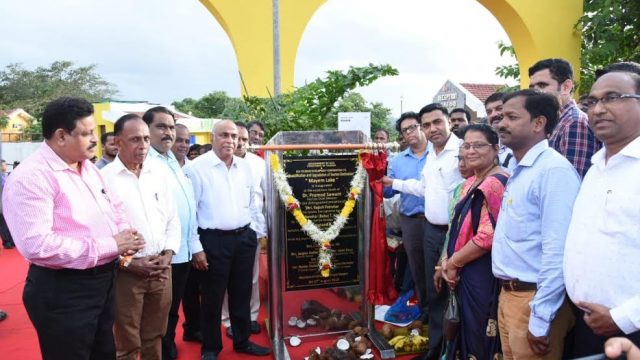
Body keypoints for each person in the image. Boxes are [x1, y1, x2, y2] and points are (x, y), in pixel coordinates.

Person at [2, 96, 145, 360]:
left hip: (103, 280)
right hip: (64, 291)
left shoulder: (89, 168)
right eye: (86, 133)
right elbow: (37, 245)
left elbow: (114, 208)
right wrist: (113, 244)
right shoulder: (31, 178)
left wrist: (127, 235)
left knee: (103, 352)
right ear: (60, 136)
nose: (96, 139)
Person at [492, 89, 579, 359]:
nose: (501, 122)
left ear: (538, 123)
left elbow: (558, 251)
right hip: (510, 296)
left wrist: (540, 318)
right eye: (501, 115)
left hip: (534, 301)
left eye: (511, 116)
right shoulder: (522, 168)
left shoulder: (553, 171)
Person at [563, 62, 640, 357]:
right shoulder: (596, 167)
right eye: (592, 101)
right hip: (587, 324)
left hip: (628, 332)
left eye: (613, 98)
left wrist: (623, 318)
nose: (597, 109)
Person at [383, 103, 464, 360]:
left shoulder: (463, 150)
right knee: (434, 289)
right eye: (427, 124)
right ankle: (436, 348)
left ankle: (455, 349)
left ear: (449, 122)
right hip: (431, 230)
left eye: (437, 122)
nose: (432, 129)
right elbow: (424, 189)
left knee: (456, 291)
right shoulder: (433, 155)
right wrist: (393, 182)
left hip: (456, 233)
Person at [184, 120, 270, 360]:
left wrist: (255, 233)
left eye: (234, 136)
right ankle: (211, 348)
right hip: (212, 241)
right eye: (224, 135)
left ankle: (243, 341)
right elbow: (190, 212)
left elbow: (252, 204)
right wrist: (196, 248)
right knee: (212, 298)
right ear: (212, 138)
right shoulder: (196, 168)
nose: (230, 140)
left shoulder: (247, 168)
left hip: (243, 239)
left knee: (241, 294)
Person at [101, 114, 180, 360]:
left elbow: (172, 218)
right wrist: (128, 263)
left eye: (146, 139)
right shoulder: (103, 179)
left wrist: (168, 253)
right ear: (117, 142)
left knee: (155, 335)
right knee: (127, 341)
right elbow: (100, 232)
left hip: (160, 269)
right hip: (126, 272)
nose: (143, 145)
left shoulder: (158, 173)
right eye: (135, 139)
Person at [438, 124, 509, 359]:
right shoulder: (470, 182)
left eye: (478, 145)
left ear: (496, 148)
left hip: (482, 270)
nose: (470, 151)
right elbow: (455, 228)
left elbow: (487, 237)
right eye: (466, 146)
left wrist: (454, 263)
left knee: (480, 330)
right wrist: (447, 261)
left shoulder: (497, 182)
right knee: (463, 329)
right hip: (462, 268)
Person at [141, 107, 201, 360]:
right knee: (160, 311)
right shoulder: (146, 163)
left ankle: (167, 346)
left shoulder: (173, 162)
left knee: (173, 308)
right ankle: (163, 351)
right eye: (161, 127)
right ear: (147, 130)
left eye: (171, 127)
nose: (168, 133)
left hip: (182, 249)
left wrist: (194, 245)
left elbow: (186, 207)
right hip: (163, 254)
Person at [381, 112, 428, 319]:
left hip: (438, 221)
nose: (410, 132)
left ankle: (442, 313)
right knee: (417, 270)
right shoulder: (398, 161)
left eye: (413, 127)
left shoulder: (437, 155)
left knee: (439, 268)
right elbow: (388, 191)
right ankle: (424, 312)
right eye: (404, 130)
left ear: (421, 126)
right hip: (410, 221)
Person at [222, 122, 267, 339]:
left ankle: (251, 317)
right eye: (236, 138)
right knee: (227, 279)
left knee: (251, 278)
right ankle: (228, 320)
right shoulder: (218, 164)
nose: (239, 143)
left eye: (244, 139)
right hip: (224, 233)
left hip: (252, 230)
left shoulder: (259, 164)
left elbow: (267, 197)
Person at [528, 58, 601, 178]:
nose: (535, 92)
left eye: (542, 85)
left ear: (566, 87)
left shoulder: (574, 123)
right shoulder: (551, 121)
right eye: (532, 87)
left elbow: (570, 183)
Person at [485, 92, 516, 172]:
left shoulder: (522, 143)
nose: (493, 114)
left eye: (499, 109)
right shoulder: (489, 146)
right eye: (489, 112)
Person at [0, 159, 15, 249]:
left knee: (8, 223)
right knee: (3, 224)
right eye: (4, 165)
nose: (5, 166)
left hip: (6, 203)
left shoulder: (5, 176)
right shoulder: (2, 178)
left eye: (5, 165)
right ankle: (7, 242)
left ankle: (10, 241)